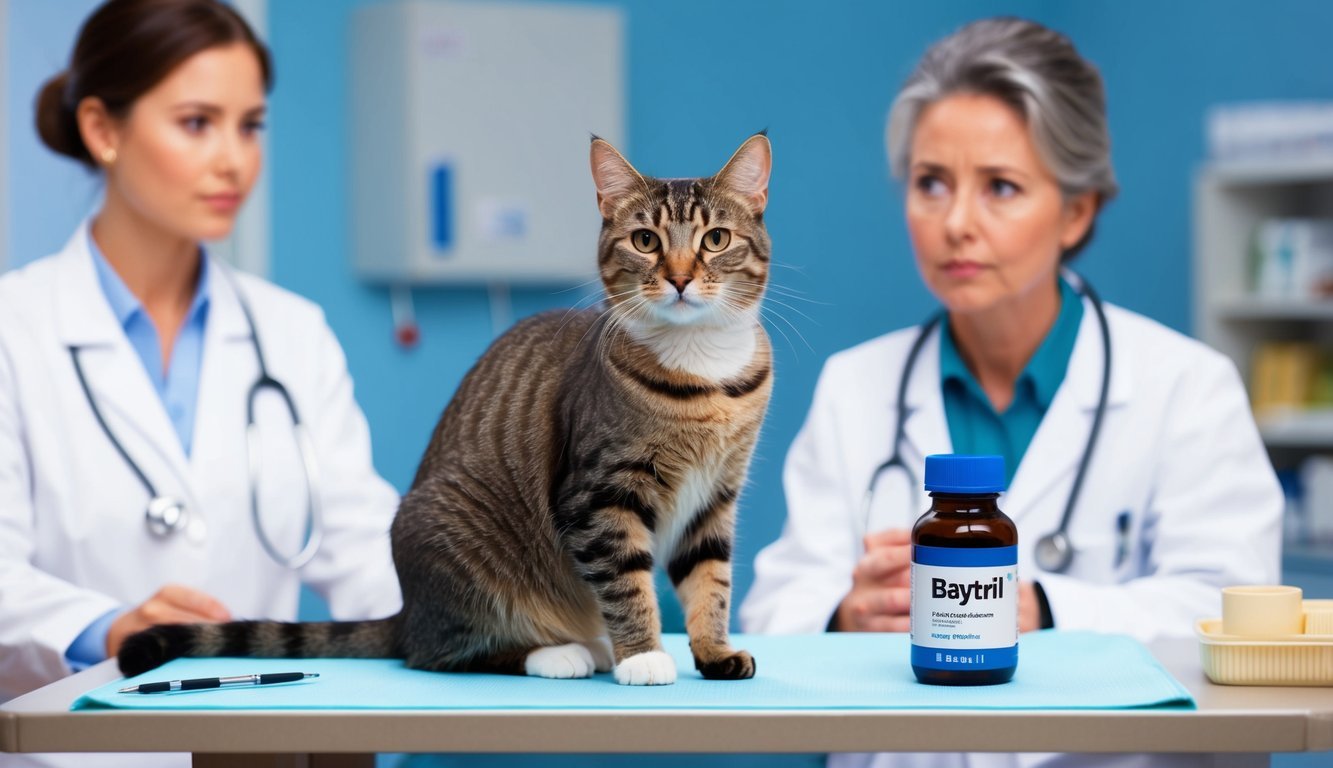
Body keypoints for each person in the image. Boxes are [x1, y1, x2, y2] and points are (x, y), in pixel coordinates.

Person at [740, 17, 1281, 768]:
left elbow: (1234, 618)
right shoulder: (856, 387)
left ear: (1076, 210)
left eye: (1000, 187)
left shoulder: (1185, 387)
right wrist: (843, 616)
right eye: (930, 183)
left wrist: (1045, 608)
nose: (955, 223)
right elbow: (769, 616)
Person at [0, 1, 401, 764]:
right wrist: (111, 627)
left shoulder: (293, 335)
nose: (233, 160)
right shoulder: (13, 330)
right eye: (196, 122)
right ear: (103, 130)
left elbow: (362, 546)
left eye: (250, 125)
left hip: (254, 750)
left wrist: (483, 597)